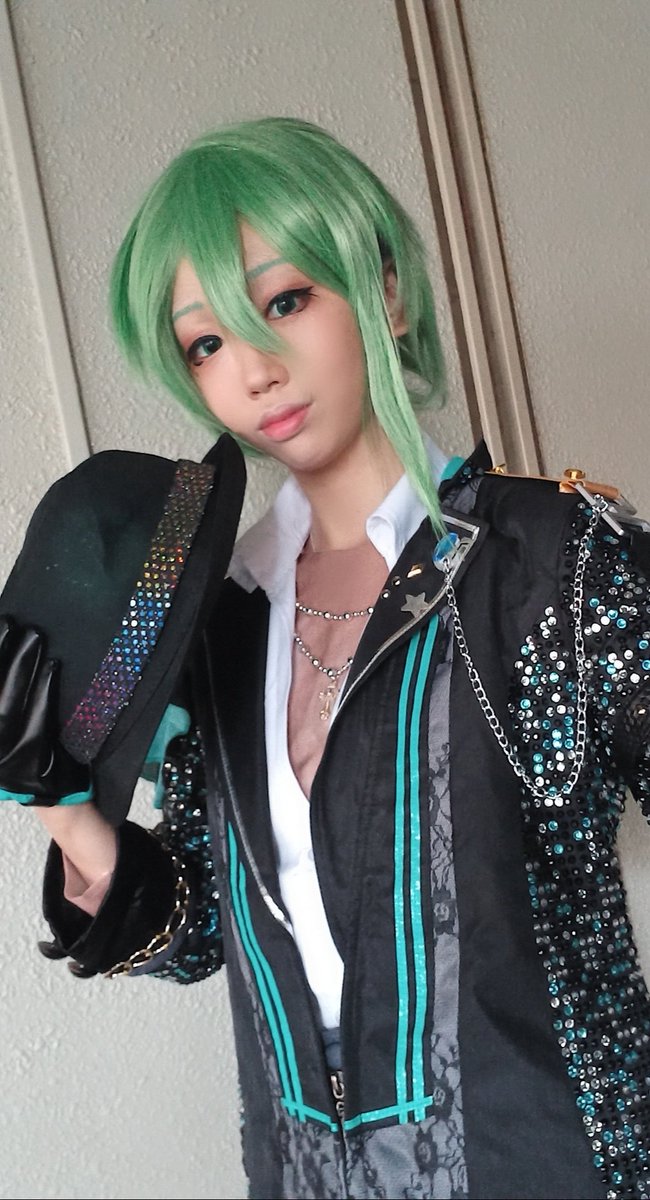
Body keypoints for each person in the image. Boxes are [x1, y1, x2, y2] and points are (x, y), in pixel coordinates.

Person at [1, 116, 650, 1200]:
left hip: (553, 1165)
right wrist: (67, 811)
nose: (253, 372)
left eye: (285, 301)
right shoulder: (221, 622)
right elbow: (204, 928)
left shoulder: (554, 562)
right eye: (206, 344)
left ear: (384, 294)